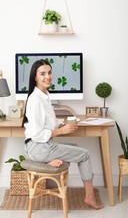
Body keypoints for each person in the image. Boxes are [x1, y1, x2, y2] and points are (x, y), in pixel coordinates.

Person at [23, 59, 103, 209]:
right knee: (84, 154)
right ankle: (90, 197)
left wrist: (62, 125)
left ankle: (48, 159)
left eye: (50, 72)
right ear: (35, 77)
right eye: (42, 74)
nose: (48, 76)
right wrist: (60, 131)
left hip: (42, 146)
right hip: (38, 147)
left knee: (76, 147)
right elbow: (37, 135)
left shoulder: (44, 96)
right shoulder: (35, 100)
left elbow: (49, 121)